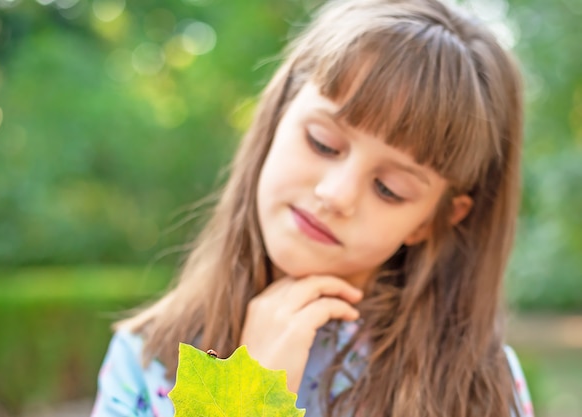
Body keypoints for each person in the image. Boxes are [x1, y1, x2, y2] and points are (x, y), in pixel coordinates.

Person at [90, 0, 534, 416]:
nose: (336, 194)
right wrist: (242, 397)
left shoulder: (475, 386)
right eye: (322, 143)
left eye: (389, 188)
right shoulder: (146, 356)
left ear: (436, 220)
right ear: (279, 115)